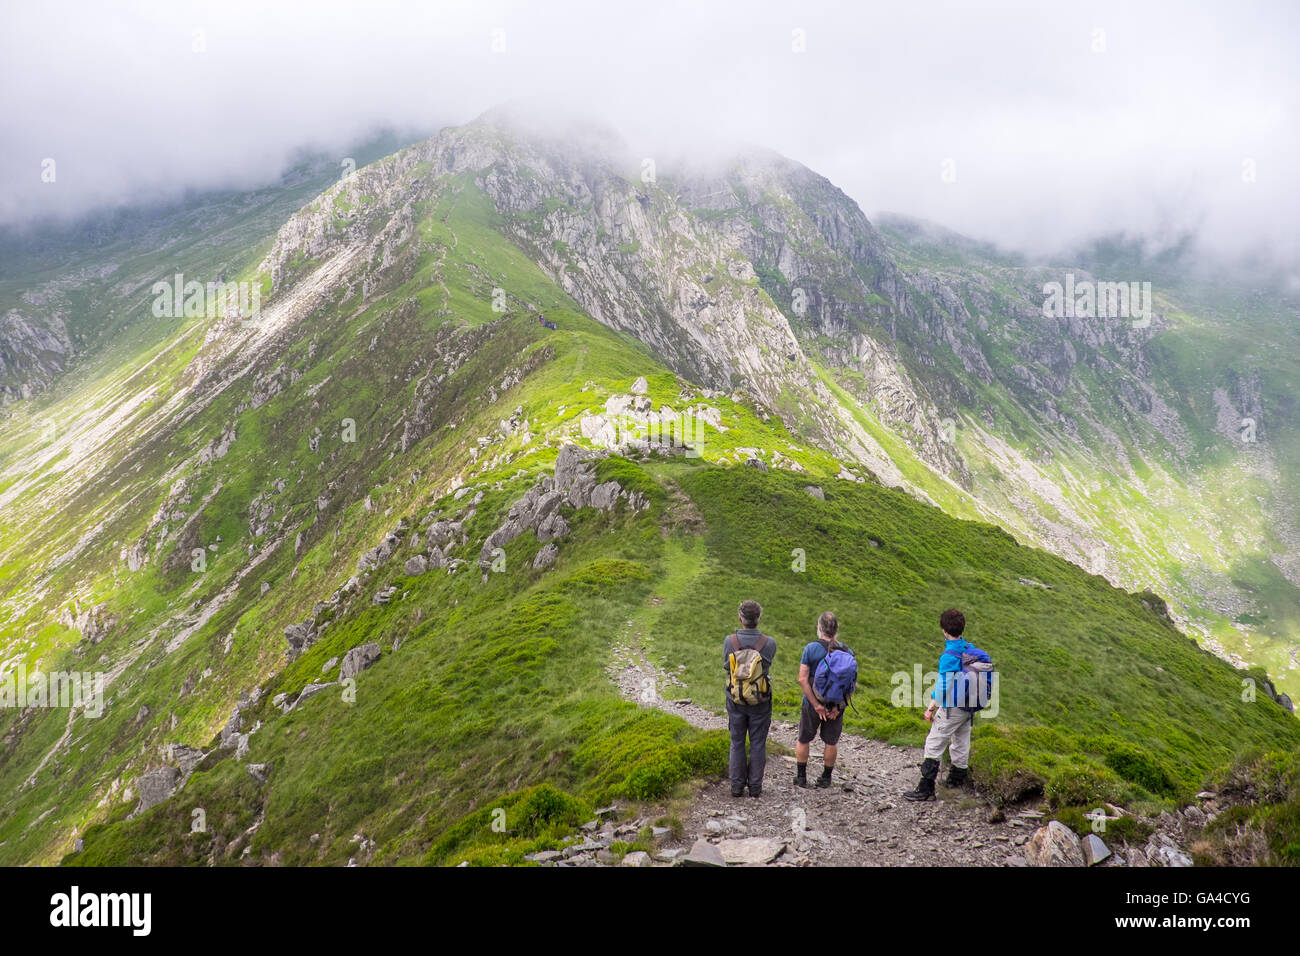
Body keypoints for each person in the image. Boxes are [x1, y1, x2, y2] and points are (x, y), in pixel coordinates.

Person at [904, 608, 976, 802]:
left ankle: (926, 789)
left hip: (953, 707)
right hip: (969, 707)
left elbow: (944, 685)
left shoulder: (948, 656)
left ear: (944, 630)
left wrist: (931, 707)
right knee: (961, 742)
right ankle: (955, 781)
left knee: (934, 743)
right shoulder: (970, 648)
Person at [722, 599, 776, 798]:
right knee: (758, 742)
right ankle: (755, 787)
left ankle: (736, 787)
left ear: (740, 618)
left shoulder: (730, 642)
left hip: (735, 698)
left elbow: (727, 667)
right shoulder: (769, 643)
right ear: (759, 619)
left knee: (736, 742)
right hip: (760, 699)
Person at [795, 611, 847, 789]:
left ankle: (801, 777)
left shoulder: (811, 648)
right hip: (836, 705)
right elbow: (851, 684)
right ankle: (826, 778)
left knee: (804, 738)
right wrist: (839, 707)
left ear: (819, 628)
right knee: (831, 741)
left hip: (812, 702)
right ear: (836, 630)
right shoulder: (846, 651)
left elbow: (802, 679)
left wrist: (816, 705)